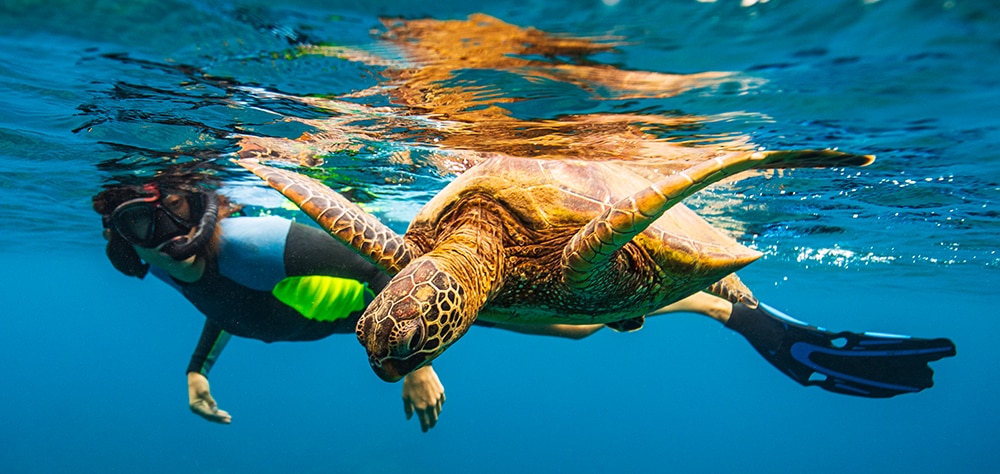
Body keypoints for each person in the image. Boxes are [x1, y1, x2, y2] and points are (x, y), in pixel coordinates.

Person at [93, 171, 956, 431]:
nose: (160, 228)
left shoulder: (251, 241)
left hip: (549, 254)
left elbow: (372, 279)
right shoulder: (177, 262)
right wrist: (199, 368)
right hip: (451, 279)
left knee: (584, 318)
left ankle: (751, 318)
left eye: (165, 208)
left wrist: (412, 367)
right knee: (565, 317)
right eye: (139, 221)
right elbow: (226, 301)